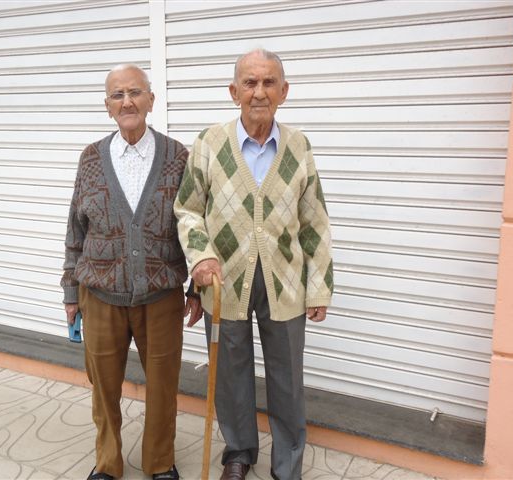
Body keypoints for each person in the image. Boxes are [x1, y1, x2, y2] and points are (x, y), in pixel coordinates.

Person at [174, 49, 334, 480]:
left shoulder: (299, 146)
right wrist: (201, 256)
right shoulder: (209, 143)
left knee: (287, 381)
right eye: (249, 83)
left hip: (285, 283)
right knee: (230, 374)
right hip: (223, 282)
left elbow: (314, 221)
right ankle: (239, 452)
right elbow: (187, 210)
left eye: (268, 83)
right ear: (233, 91)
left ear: (284, 91)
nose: (258, 92)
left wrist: (318, 286)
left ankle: (287, 465)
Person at [61, 64, 201, 480]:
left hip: (161, 296)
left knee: (162, 386)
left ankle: (160, 461)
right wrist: (71, 294)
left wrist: (195, 289)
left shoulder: (178, 157)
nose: (127, 102)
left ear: (151, 101)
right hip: (100, 295)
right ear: (107, 107)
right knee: (103, 387)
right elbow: (75, 229)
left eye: (135, 93)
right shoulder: (90, 158)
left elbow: (196, 225)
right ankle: (108, 463)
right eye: (118, 95)